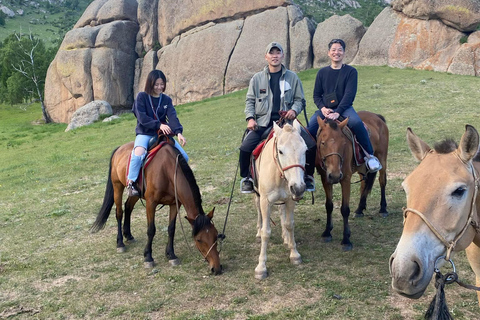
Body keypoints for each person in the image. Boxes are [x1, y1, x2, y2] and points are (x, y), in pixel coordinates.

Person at [239, 42, 316, 194]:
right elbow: (250, 101)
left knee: (311, 145)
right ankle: (247, 178)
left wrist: (294, 110)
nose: (275, 56)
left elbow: (300, 100)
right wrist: (250, 118)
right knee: (245, 148)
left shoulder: (292, 77)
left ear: (282, 55)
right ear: (266, 56)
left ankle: (307, 177)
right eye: (271, 53)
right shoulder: (257, 79)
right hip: (262, 123)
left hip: (287, 124)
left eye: (278, 53)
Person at [305, 38, 382, 175]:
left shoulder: (351, 72)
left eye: (340, 50)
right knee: (309, 130)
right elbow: (316, 95)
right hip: (325, 110)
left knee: (357, 123)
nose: (336, 53)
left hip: (344, 109)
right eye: (333, 50)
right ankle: (309, 167)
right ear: (328, 53)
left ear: (344, 53)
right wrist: (322, 108)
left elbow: (349, 95)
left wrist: (338, 112)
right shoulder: (322, 73)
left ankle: (370, 156)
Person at [127, 69, 188, 197]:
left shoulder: (166, 100)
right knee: (138, 153)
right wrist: (159, 124)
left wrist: (178, 133)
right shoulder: (141, 97)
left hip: (162, 134)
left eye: (162, 84)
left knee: (184, 157)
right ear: (150, 84)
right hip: (145, 132)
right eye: (156, 84)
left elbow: (172, 117)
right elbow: (142, 118)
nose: (159, 87)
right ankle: (131, 183)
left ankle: (179, 183)